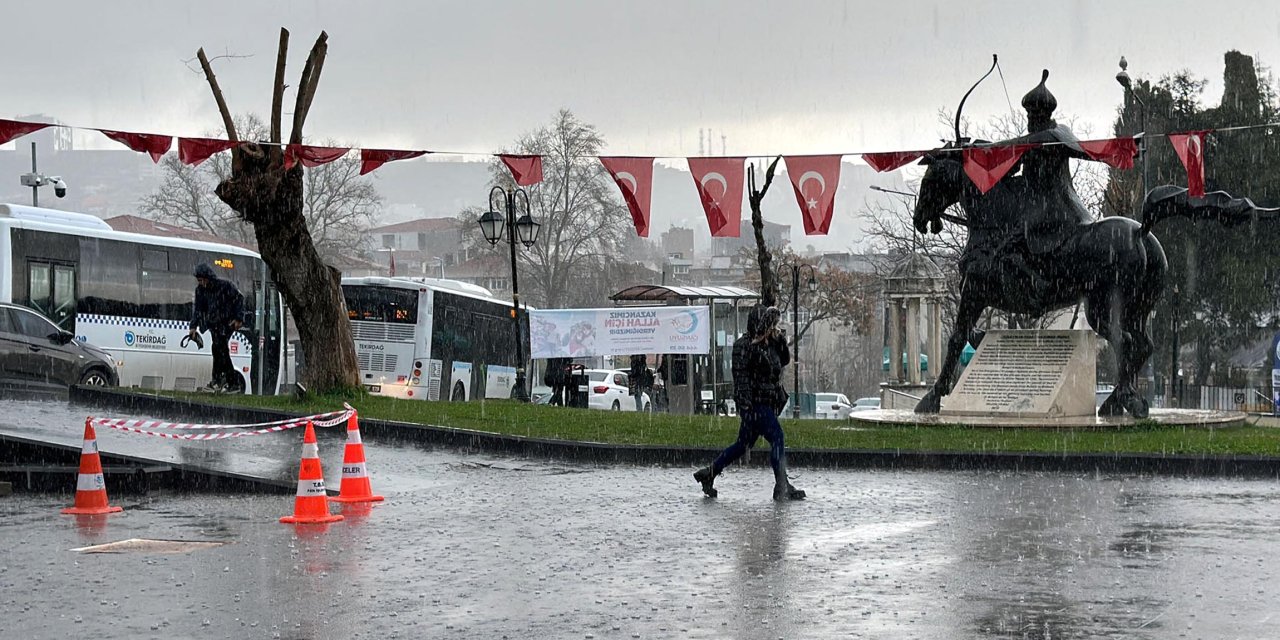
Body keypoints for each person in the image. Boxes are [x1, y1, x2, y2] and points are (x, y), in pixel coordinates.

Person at [694, 305, 805, 501]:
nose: (773, 329)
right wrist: (746, 405)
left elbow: (785, 361)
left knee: (742, 444)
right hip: (755, 404)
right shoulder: (744, 345)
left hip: (766, 402)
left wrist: (780, 341)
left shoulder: (770, 343)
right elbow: (741, 377)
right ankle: (781, 485)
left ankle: (709, 473)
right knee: (777, 437)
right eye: (770, 325)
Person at [189, 263, 245, 393]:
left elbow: (239, 299)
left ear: (208, 277)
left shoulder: (224, 286)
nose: (201, 283)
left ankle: (221, 381)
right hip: (213, 324)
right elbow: (198, 310)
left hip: (227, 323)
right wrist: (193, 326)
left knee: (220, 348)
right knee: (218, 350)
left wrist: (238, 318)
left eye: (202, 280)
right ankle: (224, 382)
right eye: (199, 281)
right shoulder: (200, 291)